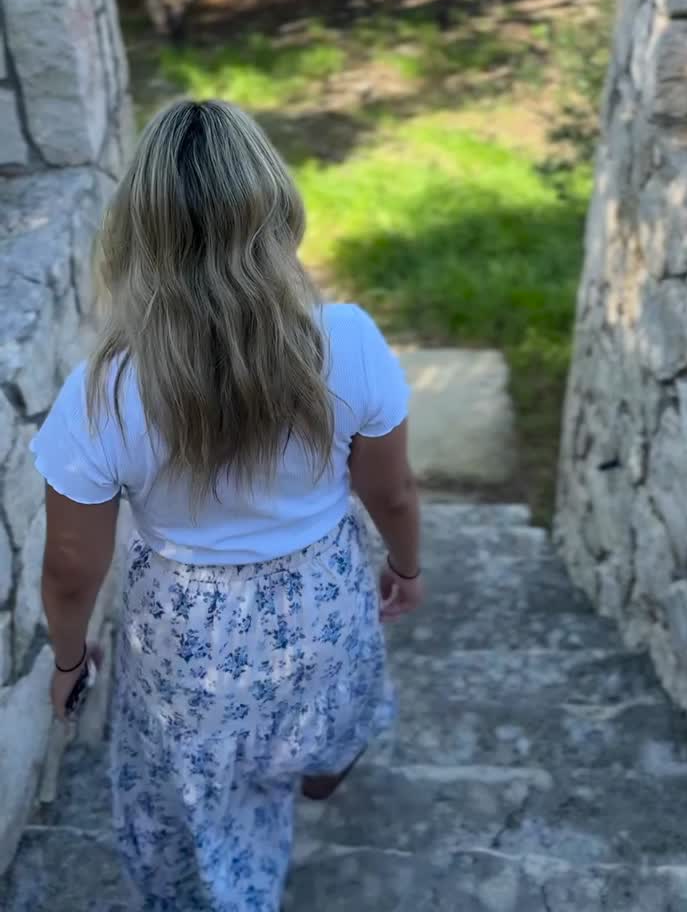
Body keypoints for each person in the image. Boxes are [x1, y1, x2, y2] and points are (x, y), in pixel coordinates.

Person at [32, 99, 422, 911]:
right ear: (276, 207)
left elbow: (72, 567)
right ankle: (305, 775)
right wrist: (406, 565)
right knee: (321, 714)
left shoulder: (104, 390)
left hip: (183, 631)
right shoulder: (346, 340)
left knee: (197, 788)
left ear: (137, 233)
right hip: (317, 597)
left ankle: (225, 876)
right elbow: (391, 490)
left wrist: (70, 662)